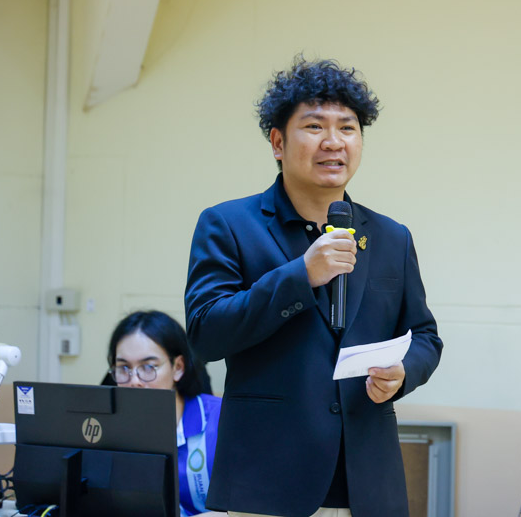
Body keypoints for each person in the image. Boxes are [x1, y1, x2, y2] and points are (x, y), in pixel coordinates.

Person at [184, 57, 443, 517]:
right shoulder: (228, 225)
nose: (333, 142)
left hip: (368, 489)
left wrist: (404, 372)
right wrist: (299, 276)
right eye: (314, 126)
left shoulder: (392, 237)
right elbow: (206, 334)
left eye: (347, 128)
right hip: (265, 487)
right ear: (278, 142)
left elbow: (424, 336)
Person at [106, 310, 226, 517]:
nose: (134, 380)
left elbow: (252, 508)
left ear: (178, 367)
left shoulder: (222, 419)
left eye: (148, 367)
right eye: (123, 368)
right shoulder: (112, 431)